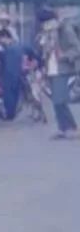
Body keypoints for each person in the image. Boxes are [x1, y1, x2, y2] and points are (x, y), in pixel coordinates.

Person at [35, 8, 80, 139]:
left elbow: (76, 49)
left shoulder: (65, 30)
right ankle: (64, 128)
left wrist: (64, 56)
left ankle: (70, 127)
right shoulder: (47, 34)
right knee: (56, 101)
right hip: (51, 70)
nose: (43, 25)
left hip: (64, 69)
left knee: (60, 100)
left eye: (45, 22)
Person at [0, 29, 24, 121]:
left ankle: (9, 114)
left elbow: (3, 63)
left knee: (8, 96)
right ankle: (12, 113)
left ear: (5, 37)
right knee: (15, 95)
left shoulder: (7, 49)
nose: (0, 41)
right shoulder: (18, 47)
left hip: (8, 75)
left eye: (0, 39)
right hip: (17, 74)